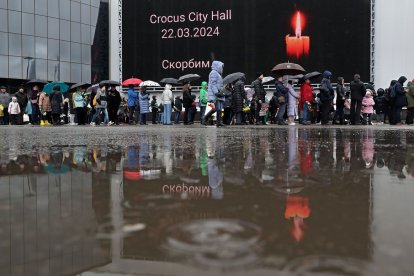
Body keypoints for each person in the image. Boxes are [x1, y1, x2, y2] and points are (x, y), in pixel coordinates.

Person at [204, 60, 225, 127]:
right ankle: (206, 117)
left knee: (218, 108)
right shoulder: (213, 73)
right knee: (217, 108)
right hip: (215, 94)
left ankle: (219, 122)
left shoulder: (217, 73)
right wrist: (216, 92)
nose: (222, 68)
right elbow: (213, 84)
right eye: (221, 67)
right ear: (217, 66)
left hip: (218, 93)